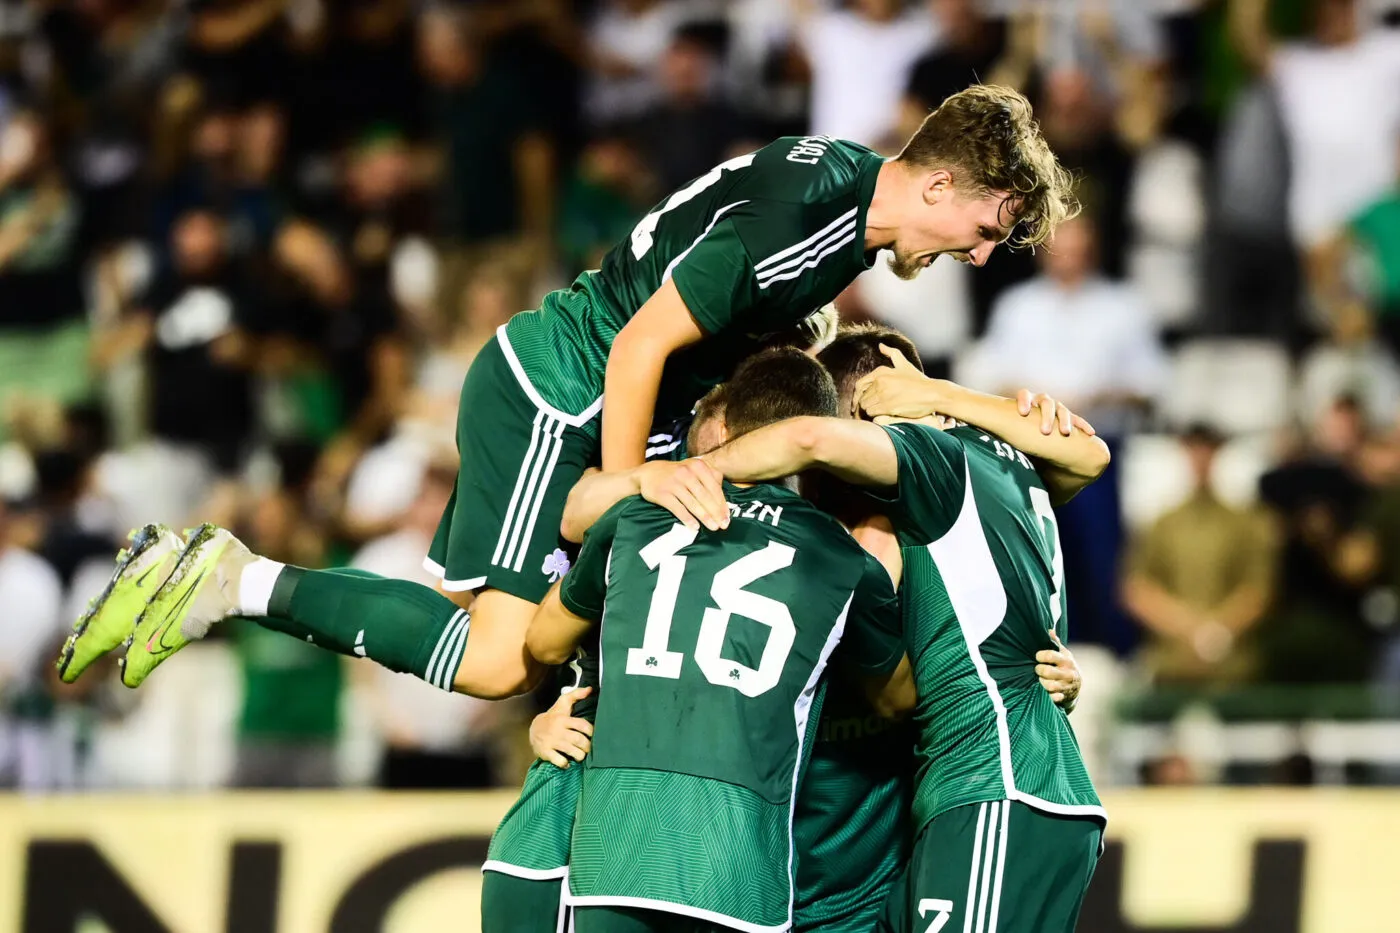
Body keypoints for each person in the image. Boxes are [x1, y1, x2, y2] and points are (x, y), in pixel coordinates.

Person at [58, 85, 1075, 717]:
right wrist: (621, 485)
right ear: (938, 188)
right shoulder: (808, 220)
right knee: (503, 658)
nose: (981, 253)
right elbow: (639, 345)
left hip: (592, 391)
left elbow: (719, 304)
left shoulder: (840, 192)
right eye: (988, 225)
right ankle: (227, 580)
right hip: (564, 394)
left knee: (542, 640)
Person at [497, 327, 1084, 933]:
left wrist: (1028, 666)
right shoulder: (819, 542)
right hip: (765, 882)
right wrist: (564, 717)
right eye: (904, 397)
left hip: (856, 893)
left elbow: (1057, 489)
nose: (919, 413)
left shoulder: (914, 528)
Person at [700, 350, 1110, 933]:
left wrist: (680, 476)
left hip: (994, 783)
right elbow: (1088, 456)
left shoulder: (928, 465)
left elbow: (812, 439)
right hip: (1020, 789)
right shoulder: (1012, 463)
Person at [525, 347, 914, 933]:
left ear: (726, 426)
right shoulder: (843, 558)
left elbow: (545, 642)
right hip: (739, 860)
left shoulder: (635, 516)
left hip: (616, 845)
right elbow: (899, 698)